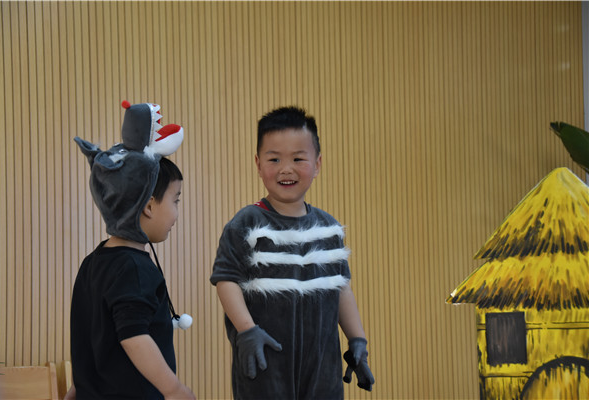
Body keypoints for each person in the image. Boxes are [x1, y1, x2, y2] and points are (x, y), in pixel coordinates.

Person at [210, 106, 374, 399]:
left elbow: (341, 288)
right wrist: (247, 331)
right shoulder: (247, 222)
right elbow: (226, 280)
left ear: (317, 164)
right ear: (258, 164)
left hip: (322, 366)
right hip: (265, 362)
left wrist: (357, 339)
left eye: (298, 158)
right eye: (274, 159)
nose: (286, 169)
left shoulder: (328, 228)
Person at [65, 101, 195, 400]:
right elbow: (134, 337)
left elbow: (93, 345)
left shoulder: (92, 263)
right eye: (175, 200)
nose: (177, 212)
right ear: (148, 206)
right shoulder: (134, 268)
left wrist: (76, 390)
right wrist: (174, 389)